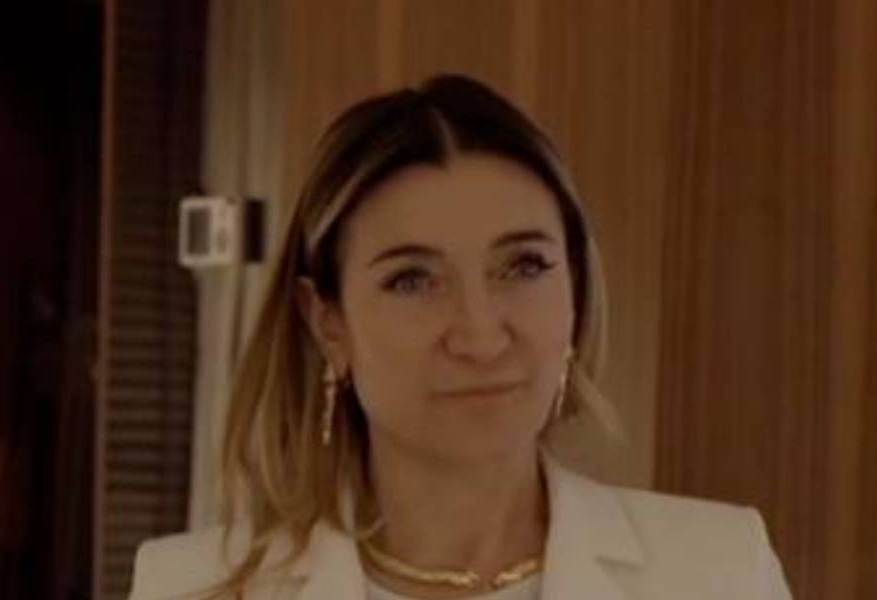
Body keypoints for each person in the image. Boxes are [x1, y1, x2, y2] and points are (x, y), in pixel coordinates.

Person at [129, 74, 791, 600]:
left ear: (576, 291)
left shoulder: (719, 572)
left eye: (523, 267)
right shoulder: (188, 588)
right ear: (327, 322)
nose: (480, 336)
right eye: (413, 280)